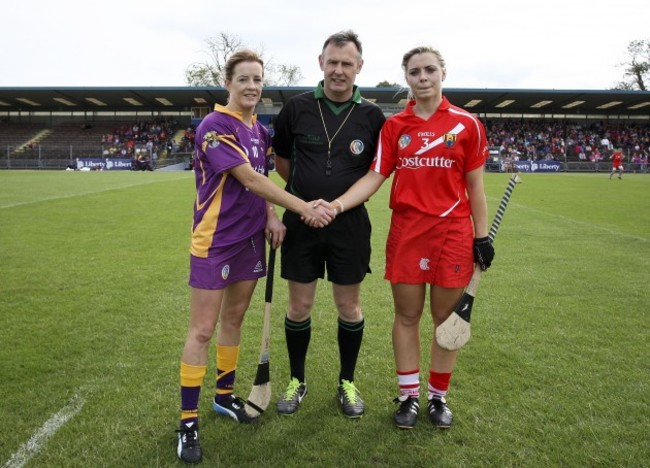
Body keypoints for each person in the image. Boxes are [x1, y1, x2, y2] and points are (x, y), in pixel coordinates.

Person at [176, 49, 334, 464]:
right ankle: (188, 421)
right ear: (228, 83)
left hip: (250, 239)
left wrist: (271, 215)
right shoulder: (214, 127)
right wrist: (301, 207)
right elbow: (246, 178)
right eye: (243, 79)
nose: (251, 86)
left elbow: (260, 182)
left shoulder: (259, 132)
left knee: (234, 320)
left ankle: (224, 397)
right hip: (215, 240)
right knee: (203, 330)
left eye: (257, 80)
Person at [323, 45, 494, 429]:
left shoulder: (467, 125)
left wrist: (481, 237)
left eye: (429, 70)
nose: (423, 77)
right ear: (407, 78)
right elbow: (374, 177)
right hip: (408, 232)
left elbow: (476, 187)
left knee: (444, 317)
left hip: (452, 233)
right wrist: (336, 205)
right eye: (415, 72)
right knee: (407, 315)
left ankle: (437, 398)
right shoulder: (395, 127)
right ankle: (408, 397)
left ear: (442, 73)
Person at [271, 30, 386, 418]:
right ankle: (297, 380)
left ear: (359, 68)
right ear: (321, 63)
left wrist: (333, 206)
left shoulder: (372, 116)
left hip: (349, 224)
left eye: (347, 64)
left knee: (349, 307)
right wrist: (306, 204)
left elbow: (375, 172)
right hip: (301, 222)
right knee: (299, 306)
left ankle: (347, 382)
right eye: (332, 62)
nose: (339, 70)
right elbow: (283, 163)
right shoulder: (297, 108)